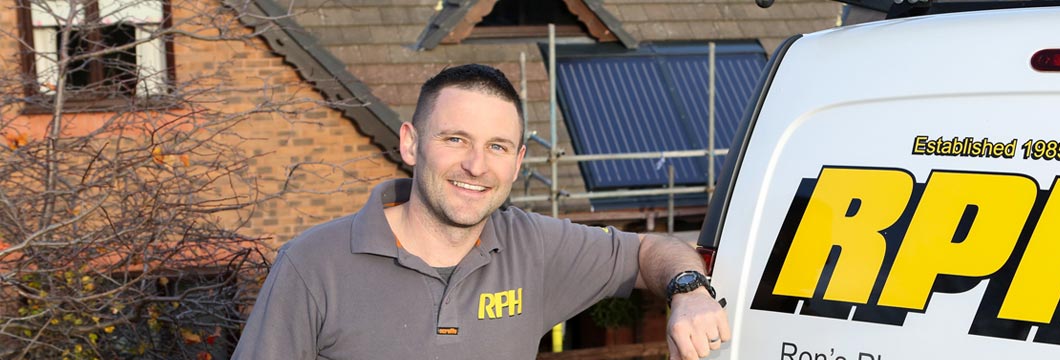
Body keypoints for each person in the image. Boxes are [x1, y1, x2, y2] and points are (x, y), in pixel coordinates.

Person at [232, 64, 729, 359]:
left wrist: (688, 290)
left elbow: (649, 249)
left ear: (517, 163)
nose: (476, 165)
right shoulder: (313, 265)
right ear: (411, 144)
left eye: (496, 146)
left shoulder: (533, 249)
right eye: (455, 139)